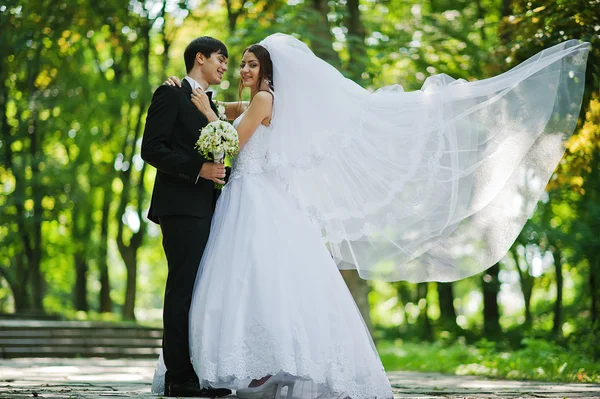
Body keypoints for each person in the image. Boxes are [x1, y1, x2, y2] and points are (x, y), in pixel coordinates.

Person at [154, 33, 590, 398]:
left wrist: (208, 110)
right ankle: (239, 363)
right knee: (245, 280)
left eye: (249, 64)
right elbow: (228, 111)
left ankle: (261, 362)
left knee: (258, 277)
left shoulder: (265, 100)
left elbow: (231, 141)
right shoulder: (256, 102)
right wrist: (198, 96)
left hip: (254, 199)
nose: (243, 70)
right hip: (242, 199)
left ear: (267, 71)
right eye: (239, 63)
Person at [140, 36, 232, 398]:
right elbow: (152, 148)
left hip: (208, 208)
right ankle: (179, 377)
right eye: (220, 59)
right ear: (200, 58)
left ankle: (198, 370)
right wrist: (199, 169)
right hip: (180, 206)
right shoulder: (171, 94)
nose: (225, 66)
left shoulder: (214, 106)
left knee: (200, 291)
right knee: (183, 288)